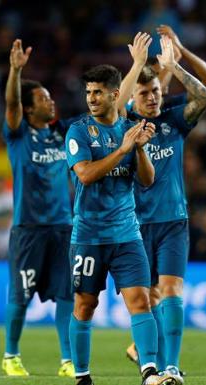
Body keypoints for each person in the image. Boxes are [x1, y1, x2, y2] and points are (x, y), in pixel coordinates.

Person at [65, 64, 181, 385]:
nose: (91, 98)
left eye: (98, 92)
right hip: (89, 235)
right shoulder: (78, 131)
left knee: (140, 301)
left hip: (127, 234)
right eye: (88, 92)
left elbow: (147, 180)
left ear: (115, 94)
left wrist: (140, 149)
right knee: (85, 305)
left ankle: (149, 373)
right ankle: (83, 376)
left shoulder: (131, 128)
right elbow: (86, 174)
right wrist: (124, 149)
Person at [122, 35, 206, 378]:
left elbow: (204, 96)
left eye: (156, 91)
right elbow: (114, 109)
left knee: (172, 291)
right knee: (145, 299)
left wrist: (174, 67)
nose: (152, 97)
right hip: (135, 224)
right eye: (144, 93)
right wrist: (135, 66)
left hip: (174, 220)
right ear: (133, 97)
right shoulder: (124, 124)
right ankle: (151, 365)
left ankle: (172, 367)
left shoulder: (174, 121)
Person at [1, 38, 75, 378]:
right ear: (29, 109)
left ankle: (67, 359)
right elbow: (12, 103)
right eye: (44, 98)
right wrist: (16, 70)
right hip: (29, 228)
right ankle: (10, 355)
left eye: (50, 96)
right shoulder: (18, 135)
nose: (51, 101)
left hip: (63, 226)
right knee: (21, 295)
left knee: (66, 294)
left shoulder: (62, 134)